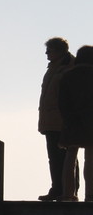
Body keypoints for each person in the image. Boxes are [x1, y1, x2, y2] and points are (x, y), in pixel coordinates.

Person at [38, 37, 76, 201]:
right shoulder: (53, 67)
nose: (46, 53)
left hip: (63, 121)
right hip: (51, 121)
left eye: (50, 50)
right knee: (54, 157)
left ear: (59, 50)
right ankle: (57, 189)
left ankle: (67, 191)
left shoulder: (69, 67)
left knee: (66, 157)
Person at [58, 45, 93, 201]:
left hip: (72, 121)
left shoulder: (67, 76)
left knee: (70, 156)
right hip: (90, 121)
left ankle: (68, 193)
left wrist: (67, 119)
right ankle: (90, 194)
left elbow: (62, 102)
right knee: (90, 158)